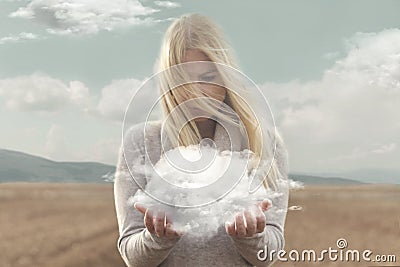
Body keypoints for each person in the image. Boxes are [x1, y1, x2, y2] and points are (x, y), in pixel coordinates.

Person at [114, 13, 289, 267]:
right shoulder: (141, 143)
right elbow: (132, 256)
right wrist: (158, 238)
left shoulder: (266, 144)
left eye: (207, 78)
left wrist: (252, 237)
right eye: (182, 80)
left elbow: (270, 254)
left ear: (226, 76)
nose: (196, 92)